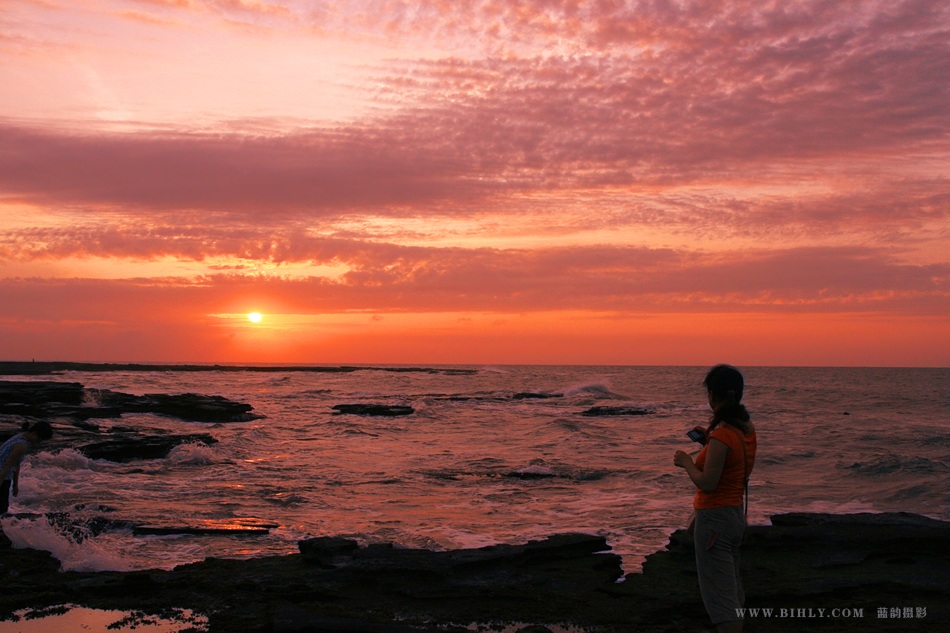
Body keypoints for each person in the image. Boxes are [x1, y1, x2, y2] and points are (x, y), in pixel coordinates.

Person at [674, 365, 757, 633]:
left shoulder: (722, 435)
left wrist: (687, 462)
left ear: (712, 395)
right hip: (734, 515)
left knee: (721, 601)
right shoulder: (744, 428)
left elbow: (708, 483)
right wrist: (709, 442)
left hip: (715, 520)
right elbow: (734, 461)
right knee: (731, 587)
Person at [0, 421, 54, 515]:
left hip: (5, 477)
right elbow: (7, 466)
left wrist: (15, 484)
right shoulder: (21, 446)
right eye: (39, 439)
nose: (38, 442)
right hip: (3, 478)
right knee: (2, 510)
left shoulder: (20, 437)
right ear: (35, 434)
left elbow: (15, 464)